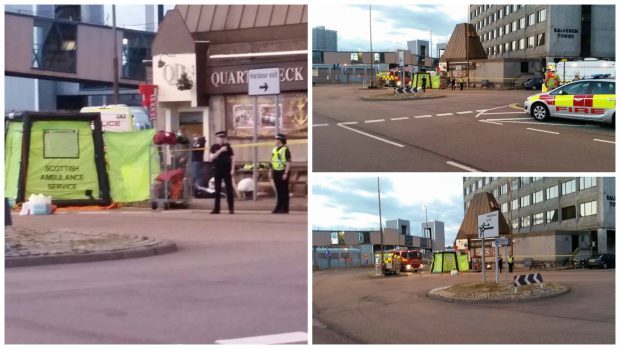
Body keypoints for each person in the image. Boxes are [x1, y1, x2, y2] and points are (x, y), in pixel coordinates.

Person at [209, 130, 235, 214]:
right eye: (220, 137)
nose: (222, 139)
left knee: (229, 189)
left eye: (223, 137)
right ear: (217, 138)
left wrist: (232, 169)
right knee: (217, 189)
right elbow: (211, 158)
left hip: (227, 170)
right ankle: (216, 209)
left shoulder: (228, 146)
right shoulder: (214, 147)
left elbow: (233, 158)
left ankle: (231, 209)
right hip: (217, 169)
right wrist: (220, 150)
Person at [270, 133, 292, 214]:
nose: (275, 141)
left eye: (276, 139)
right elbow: (272, 160)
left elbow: (288, 162)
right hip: (276, 171)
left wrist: (286, 173)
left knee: (284, 190)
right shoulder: (274, 149)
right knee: (278, 191)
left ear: (280, 140)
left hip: (283, 171)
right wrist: (271, 171)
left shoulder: (285, 149)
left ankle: (285, 208)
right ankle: (278, 206)